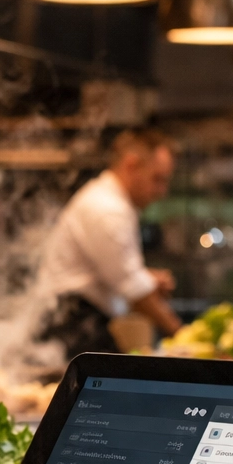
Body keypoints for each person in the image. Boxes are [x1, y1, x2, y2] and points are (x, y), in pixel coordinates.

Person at [37, 128, 182, 358]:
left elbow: (114, 273)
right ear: (131, 165)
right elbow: (134, 291)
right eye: (157, 179)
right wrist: (182, 334)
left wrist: (148, 279)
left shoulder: (113, 203)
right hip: (71, 324)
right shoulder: (107, 209)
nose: (161, 192)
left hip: (76, 320)